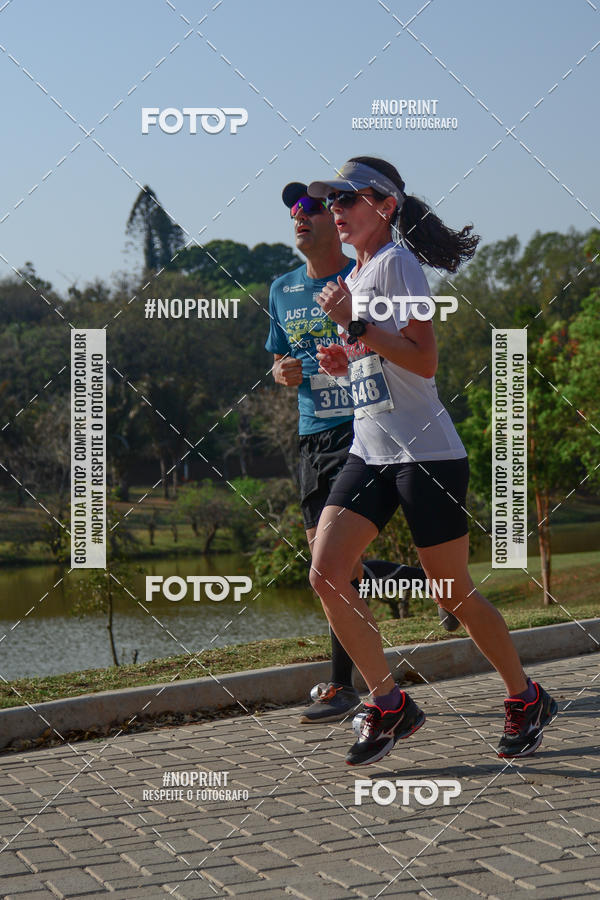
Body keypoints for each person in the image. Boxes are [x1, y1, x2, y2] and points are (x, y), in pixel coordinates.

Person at [306, 157, 558, 765]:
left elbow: (423, 360)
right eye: (331, 203)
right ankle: (388, 702)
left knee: (451, 593)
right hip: (370, 450)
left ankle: (525, 697)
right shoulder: (359, 273)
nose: (335, 212)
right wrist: (345, 359)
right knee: (326, 573)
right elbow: (379, 356)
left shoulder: (400, 266)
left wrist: (355, 324)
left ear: (384, 206)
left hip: (426, 453)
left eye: (347, 201)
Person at [265, 181, 455, 725]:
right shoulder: (283, 289)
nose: (302, 218)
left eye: (316, 208)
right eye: (294, 213)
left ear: (337, 220)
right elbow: (278, 364)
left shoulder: (361, 276)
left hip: (365, 430)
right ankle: (428, 585)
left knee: (338, 567)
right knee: (328, 567)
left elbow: (414, 353)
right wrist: (284, 372)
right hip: (313, 435)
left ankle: (348, 686)